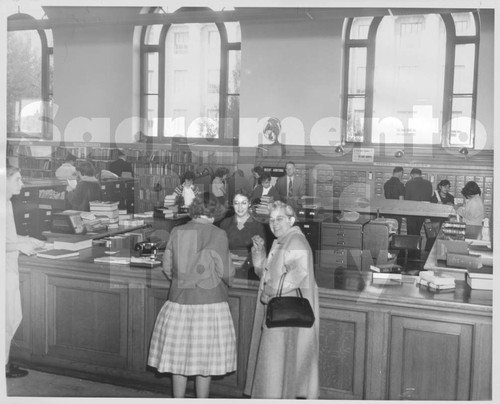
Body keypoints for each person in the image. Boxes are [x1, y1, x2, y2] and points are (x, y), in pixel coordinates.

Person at [148, 192, 237, 398]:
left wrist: (182, 282)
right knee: (203, 360)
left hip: (179, 303)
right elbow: (226, 273)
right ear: (215, 213)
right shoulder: (217, 234)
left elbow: (168, 267)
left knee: (179, 359)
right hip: (210, 304)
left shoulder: (178, 231)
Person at [244, 201, 319, 399]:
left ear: (291, 220)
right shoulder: (282, 240)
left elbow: (296, 276)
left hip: (286, 316)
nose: (274, 224)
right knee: (276, 370)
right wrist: (259, 252)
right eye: (271, 219)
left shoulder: (296, 242)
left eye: (280, 219)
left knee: (278, 370)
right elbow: (265, 272)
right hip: (279, 313)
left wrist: (268, 291)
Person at [6, 165, 46, 378]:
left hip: (10, 267)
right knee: (8, 319)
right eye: (18, 179)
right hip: (4, 270)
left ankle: (4, 363)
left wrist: (28, 240)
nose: (22, 184)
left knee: (12, 317)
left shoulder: (7, 204)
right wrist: (20, 246)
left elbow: (8, 239)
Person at [219, 191, 267, 278]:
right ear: (232, 204)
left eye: (243, 203)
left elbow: (262, 257)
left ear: (249, 204)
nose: (240, 207)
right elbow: (218, 249)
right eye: (236, 203)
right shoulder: (225, 224)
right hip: (226, 272)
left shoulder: (257, 226)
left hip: (248, 275)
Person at [404, 168, 433, 235]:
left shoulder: (409, 183)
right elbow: (429, 197)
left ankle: (414, 244)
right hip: (423, 211)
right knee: (418, 230)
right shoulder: (428, 183)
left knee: (411, 233)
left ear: (411, 175)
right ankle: (418, 243)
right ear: (420, 174)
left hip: (411, 211)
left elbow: (406, 198)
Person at [383, 166, 405, 233]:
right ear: (400, 173)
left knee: (388, 230)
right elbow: (401, 200)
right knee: (396, 231)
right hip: (396, 212)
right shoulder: (400, 185)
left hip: (387, 211)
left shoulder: (386, 183)